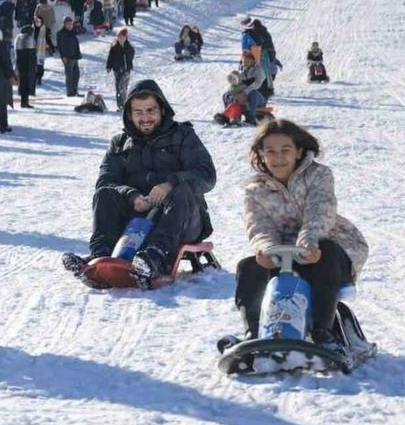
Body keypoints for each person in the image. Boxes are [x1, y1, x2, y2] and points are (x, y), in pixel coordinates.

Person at [61, 79, 217, 289]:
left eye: (151, 110)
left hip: (181, 218)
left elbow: (207, 175)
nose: (145, 118)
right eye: (138, 112)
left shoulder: (183, 136)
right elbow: (106, 181)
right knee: (105, 193)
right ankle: (100, 256)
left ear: (162, 109)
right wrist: (132, 196)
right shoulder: (119, 144)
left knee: (180, 190)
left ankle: (154, 256)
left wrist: (170, 184)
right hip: (137, 219)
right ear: (129, 114)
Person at [233, 119, 369, 343]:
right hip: (283, 254)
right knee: (249, 266)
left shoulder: (318, 175)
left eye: (285, 150)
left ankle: (322, 331)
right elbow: (258, 225)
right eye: (271, 152)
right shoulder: (254, 190)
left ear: (298, 152)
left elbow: (320, 211)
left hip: (327, 247)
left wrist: (309, 244)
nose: (278, 158)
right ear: (262, 155)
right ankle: (254, 333)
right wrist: (266, 250)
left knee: (325, 253)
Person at [106, 29, 135, 111]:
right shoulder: (114, 47)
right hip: (117, 70)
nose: (120, 38)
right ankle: (120, 105)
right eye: (119, 37)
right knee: (118, 87)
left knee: (122, 86)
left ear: (126, 37)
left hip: (126, 70)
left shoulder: (129, 47)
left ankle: (125, 104)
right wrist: (109, 66)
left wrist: (125, 50)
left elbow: (131, 57)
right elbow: (110, 58)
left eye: (122, 37)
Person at [57, 17, 81, 97]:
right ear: (64, 24)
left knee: (76, 74)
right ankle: (70, 92)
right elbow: (60, 46)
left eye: (71, 24)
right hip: (67, 57)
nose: (70, 25)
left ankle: (74, 90)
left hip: (74, 56)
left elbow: (76, 41)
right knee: (69, 75)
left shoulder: (72, 32)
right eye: (68, 24)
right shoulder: (61, 33)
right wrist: (63, 56)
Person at [13, 25, 36, 108]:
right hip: (27, 64)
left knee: (22, 83)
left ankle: (24, 102)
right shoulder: (28, 38)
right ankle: (24, 103)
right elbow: (32, 53)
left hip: (19, 63)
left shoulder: (17, 38)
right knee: (26, 84)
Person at [0, 36, 13, 133]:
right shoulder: (1, 46)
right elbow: (6, 62)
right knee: (1, 102)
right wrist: (10, 76)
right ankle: (3, 125)